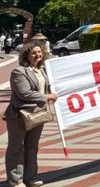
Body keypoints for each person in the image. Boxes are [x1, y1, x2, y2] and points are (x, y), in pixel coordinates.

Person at [4, 41, 58, 187]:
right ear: (26, 55)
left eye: (39, 52)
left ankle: (31, 178)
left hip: (38, 114)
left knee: (32, 147)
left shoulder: (43, 71)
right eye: (33, 53)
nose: (37, 55)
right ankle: (16, 181)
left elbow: (45, 89)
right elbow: (25, 93)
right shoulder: (19, 72)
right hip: (19, 115)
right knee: (16, 148)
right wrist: (47, 97)